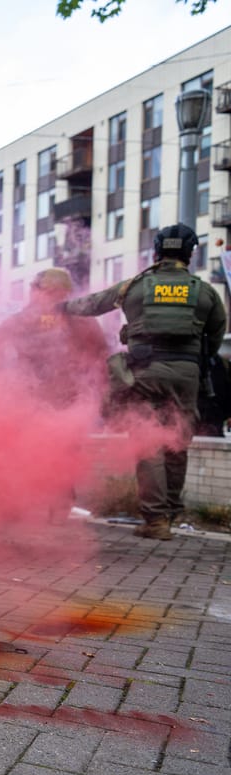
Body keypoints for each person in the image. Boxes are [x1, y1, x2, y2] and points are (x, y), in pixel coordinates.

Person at [61, 223, 227, 540]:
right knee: (177, 442)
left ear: (157, 250)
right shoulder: (203, 291)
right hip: (187, 374)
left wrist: (61, 308)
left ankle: (156, 521)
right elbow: (216, 336)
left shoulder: (136, 286)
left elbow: (94, 304)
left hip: (146, 371)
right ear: (191, 253)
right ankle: (171, 512)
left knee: (149, 442)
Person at [0, 268, 109, 408]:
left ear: (43, 289)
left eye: (33, 287)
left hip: (35, 398)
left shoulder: (27, 317)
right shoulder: (84, 318)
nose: (30, 292)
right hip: (74, 400)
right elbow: (102, 357)